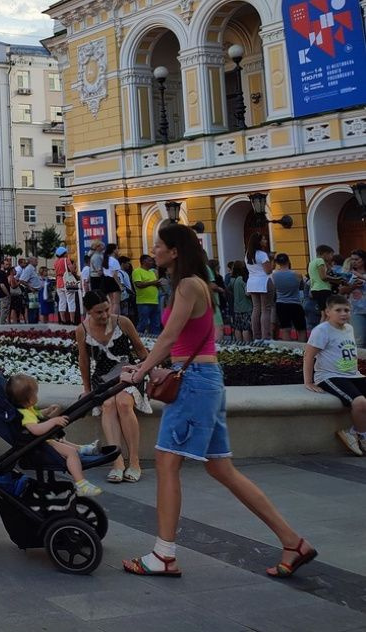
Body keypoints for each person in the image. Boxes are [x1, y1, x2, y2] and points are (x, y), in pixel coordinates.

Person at [121, 223, 314, 578]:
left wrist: (141, 371)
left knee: (165, 464)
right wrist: (151, 366)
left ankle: (163, 555)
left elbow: (168, 337)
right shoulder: (196, 284)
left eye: (158, 245)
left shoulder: (187, 285)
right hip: (202, 379)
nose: (154, 251)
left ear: (175, 250)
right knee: (220, 468)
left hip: (195, 382)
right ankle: (292, 541)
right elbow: (177, 342)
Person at [76, 290, 150, 482]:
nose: (104, 315)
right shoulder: (82, 329)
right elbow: (83, 361)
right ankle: (116, 461)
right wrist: (86, 390)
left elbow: (141, 350)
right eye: (99, 312)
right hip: (102, 378)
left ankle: (134, 461)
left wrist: (149, 369)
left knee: (124, 403)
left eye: (107, 310)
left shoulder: (122, 322)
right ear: (88, 311)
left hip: (130, 373)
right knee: (108, 405)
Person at [7, 374, 103, 496]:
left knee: (62, 441)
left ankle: (86, 449)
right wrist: (53, 421)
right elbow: (36, 429)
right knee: (70, 453)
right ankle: (81, 484)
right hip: (39, 446)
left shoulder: (27, 409)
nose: (36, 396)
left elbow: (37, 416)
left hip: (42, 441)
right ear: (29, 399)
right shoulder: (24, 414)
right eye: (35, 394)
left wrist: (47, 411)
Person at [302, 295, 366, 456]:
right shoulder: (321, 331)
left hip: (353, 375)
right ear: (328, 312)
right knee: (360, 403)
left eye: (347, 310)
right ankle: (361, 435)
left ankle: (350, 431)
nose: (343, 313)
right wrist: (308, 382)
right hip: (330, 376)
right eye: (338, 310)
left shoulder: (349, 328)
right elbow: (308, 356)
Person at [245, 233, 274, 340]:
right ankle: (266, 336)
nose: (265, 240)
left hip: (252, 282)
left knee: (256, 309)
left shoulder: (248, 254)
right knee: (266, 309)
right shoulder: (262, 254)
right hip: (263, 282)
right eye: (264, 239)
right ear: (259, 242)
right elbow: (268, 270)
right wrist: (271, 260)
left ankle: (256, 335)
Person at [271, 254, 306, 342]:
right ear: (288, 261)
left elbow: (273, 289)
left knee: (285, 329)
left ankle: (288, 350)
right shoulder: (297, 274)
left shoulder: (273, 275)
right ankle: (302, 350)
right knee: (301, 329)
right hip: (295, 303)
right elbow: (301, 287)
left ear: (277, 263)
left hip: (281, 304)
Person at [131, 255, 161, 334]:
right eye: (150, 260)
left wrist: (158, 284)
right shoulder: (137, 271)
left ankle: (154, 341)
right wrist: (153, 283)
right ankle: (138, 340)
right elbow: (139, 284)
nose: (152, 262)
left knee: (156, 324)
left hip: (155, 301)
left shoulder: (152, 272)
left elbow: (154, 284)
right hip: (144, 302)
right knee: (143, 323)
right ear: (144, 261)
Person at [227, 261, 255, 343]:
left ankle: (239, 344)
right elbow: (247, 293)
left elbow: (228, 289)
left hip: (237, 308)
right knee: (246, 328)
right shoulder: (243, 280)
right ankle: (247, 344)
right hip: (246, 307)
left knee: (238, 327)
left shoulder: (233, 280)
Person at [308, 244, 337, 316]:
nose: (332, 257)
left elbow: (314, 277)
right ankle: (322, 327)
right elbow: (323, 277)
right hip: (323, 289)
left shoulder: (312, 262)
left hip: (315, 289)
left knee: (323, 314)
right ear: (325, 254)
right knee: (327, 314)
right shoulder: (320, 261)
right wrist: (337, 279)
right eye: (331, 255)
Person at [56, 248, 78, 324]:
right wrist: (75, 271)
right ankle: (72, 320)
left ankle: (63, 320)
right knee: (71, 301)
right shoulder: (66, 260)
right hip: (67, 282)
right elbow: (72, 270)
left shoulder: (56, 262)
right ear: (64, 253)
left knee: (62, 301)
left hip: (59, 282)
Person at [0, 258, 12, 324]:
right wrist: (8, 294)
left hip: (0, 295)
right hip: (4, 295)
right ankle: (2, 327)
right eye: (6, 264)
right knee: (4, 312)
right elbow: (2, 285)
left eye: (9, 264)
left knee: (0, 312)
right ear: (2, 265)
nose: (8, 266)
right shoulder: (2, 274)